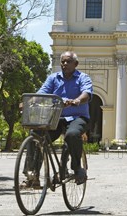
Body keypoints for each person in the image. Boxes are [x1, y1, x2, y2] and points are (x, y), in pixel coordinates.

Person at [27, 51, 93, 185]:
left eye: (68, 61)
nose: (64, 64)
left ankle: (77, 168)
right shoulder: (53, 78)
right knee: (36, 135)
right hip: (56, 118)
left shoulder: (83, 78)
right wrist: (28, 102)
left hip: (77, 117)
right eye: (62, 61)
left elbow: (86, 93)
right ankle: (32, 175)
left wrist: (77, 100)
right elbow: (42, 93)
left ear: (76, 64)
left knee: (72, 134)